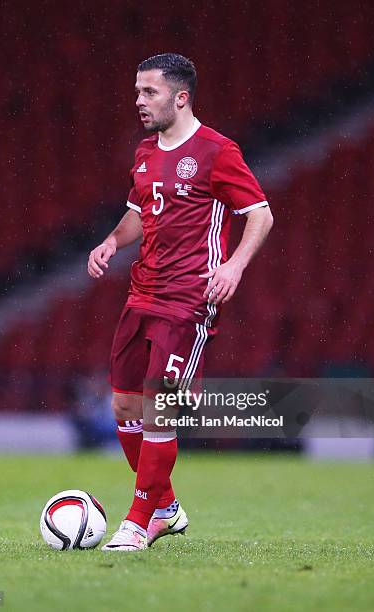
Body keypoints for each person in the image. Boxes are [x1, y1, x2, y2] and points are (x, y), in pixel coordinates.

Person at [87, 53, 273, 551]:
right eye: (137, 91)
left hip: (188, 298)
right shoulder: (145, 151)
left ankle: (137, 520)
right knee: (125, 404)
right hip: (141, 293)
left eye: (149, 92)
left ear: (181, 96)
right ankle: (166, 508)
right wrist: (110, 241)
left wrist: (233, 265)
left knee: (157, 409)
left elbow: (260, 215)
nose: (138, 102)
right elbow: (137, 215)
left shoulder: (217, 150)